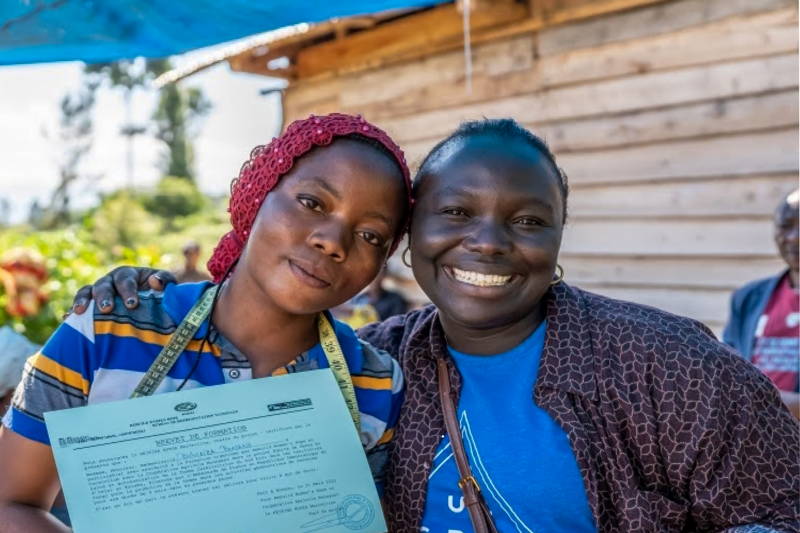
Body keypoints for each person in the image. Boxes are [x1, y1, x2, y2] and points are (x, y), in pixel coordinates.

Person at [71, 119, 799, 532]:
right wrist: (148, 302)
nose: (488, 242)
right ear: (409, 237)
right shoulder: (368, 369)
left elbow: (778, 510)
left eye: (529, 221)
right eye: (455, 212)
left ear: (558, 238)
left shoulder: (668, 368)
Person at [0, 113, 412, 532]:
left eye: (370, 236)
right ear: (258, 193)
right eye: (312, 203)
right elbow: (10, 504)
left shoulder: (374, 385)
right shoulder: (107, 332)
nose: (332, 241)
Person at [724, 189, 799, 419]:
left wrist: (769, 402)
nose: (793, 237)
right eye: (785, 226)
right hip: (752, 433)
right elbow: (726, 369)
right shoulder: (748, 298)